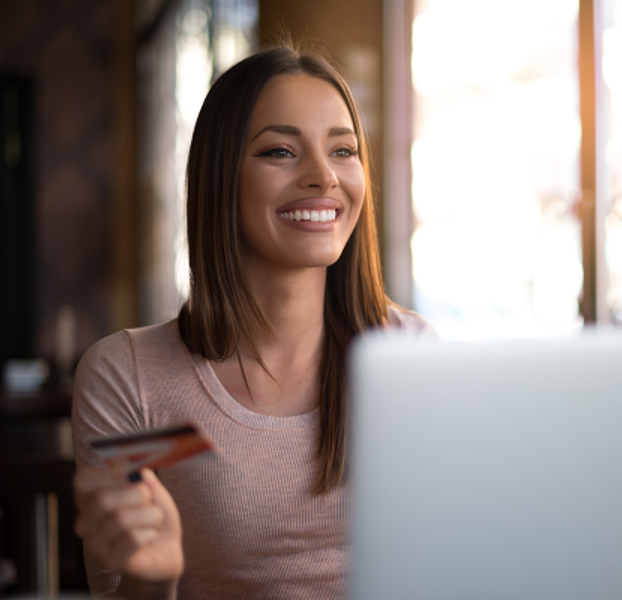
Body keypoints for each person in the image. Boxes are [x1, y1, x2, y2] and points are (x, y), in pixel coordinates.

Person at [72, 43, 433, 600]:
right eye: (280, 151)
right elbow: (119, 583)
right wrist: (151, 579)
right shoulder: (131, 379)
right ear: (221, 177)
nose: (323, 177)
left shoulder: (410, 355)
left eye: (343, 150)